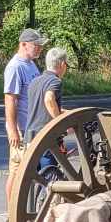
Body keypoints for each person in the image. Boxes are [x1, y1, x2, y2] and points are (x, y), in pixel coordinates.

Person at [20, 46, 70, 179]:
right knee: (50, 179)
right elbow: (48, 100)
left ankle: (35, 199)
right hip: (46, 138)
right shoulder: (55, 81)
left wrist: (65, 112)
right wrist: (60, 122)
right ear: (62, 64)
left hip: (30, 138)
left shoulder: (35, 82)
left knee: (33, 179)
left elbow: (39, 107)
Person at [3, 28, 46, 176]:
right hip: (22, 129)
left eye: (41, 45)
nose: (40, 48)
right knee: (17, 175)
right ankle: (12, 201)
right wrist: (13, 130)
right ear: (23, 44)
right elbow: (10, 99)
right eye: (36, 45)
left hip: (32, 126)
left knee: (32, 172)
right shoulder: (15, 67)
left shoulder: (31, 64)